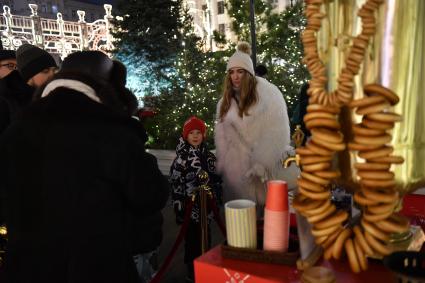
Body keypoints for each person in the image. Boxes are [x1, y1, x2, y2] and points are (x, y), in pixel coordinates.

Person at [0, 51, 169, 283]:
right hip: (98, 268)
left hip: (28, 270)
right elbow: (151, 195)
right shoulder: (112, 131)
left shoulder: (16, 131)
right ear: (109, 86)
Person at [214, 42, 299, 209]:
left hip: (266, 171)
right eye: (231, 72)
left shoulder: (269, 95)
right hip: (238, 174)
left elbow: (278, 132)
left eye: (240, 71)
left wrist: (262, 163)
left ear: (248, 73)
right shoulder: (224, 102)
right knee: (242, 223)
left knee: (271, 220)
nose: (235, 76)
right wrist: (225, 163)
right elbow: (222, 136)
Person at [169, 116, 222, 283]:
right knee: (192, 241)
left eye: (198, 132)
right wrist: (179, 206)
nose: (195, 136)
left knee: (206, 238)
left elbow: (216, 179)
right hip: (189, 209)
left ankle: (205, 267)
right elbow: (176, 183)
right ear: (186, 135)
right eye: (191, 132)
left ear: (203, 135)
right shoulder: (181, 159)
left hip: (207, 206)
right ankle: (192, 272)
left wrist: (217, 199)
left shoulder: (208, 156)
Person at [0, 44, 57, 134]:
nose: (52, 75)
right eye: (45, 71)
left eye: (54, 70)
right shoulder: (7, 101)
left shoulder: (52, 96)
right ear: (30, 74)